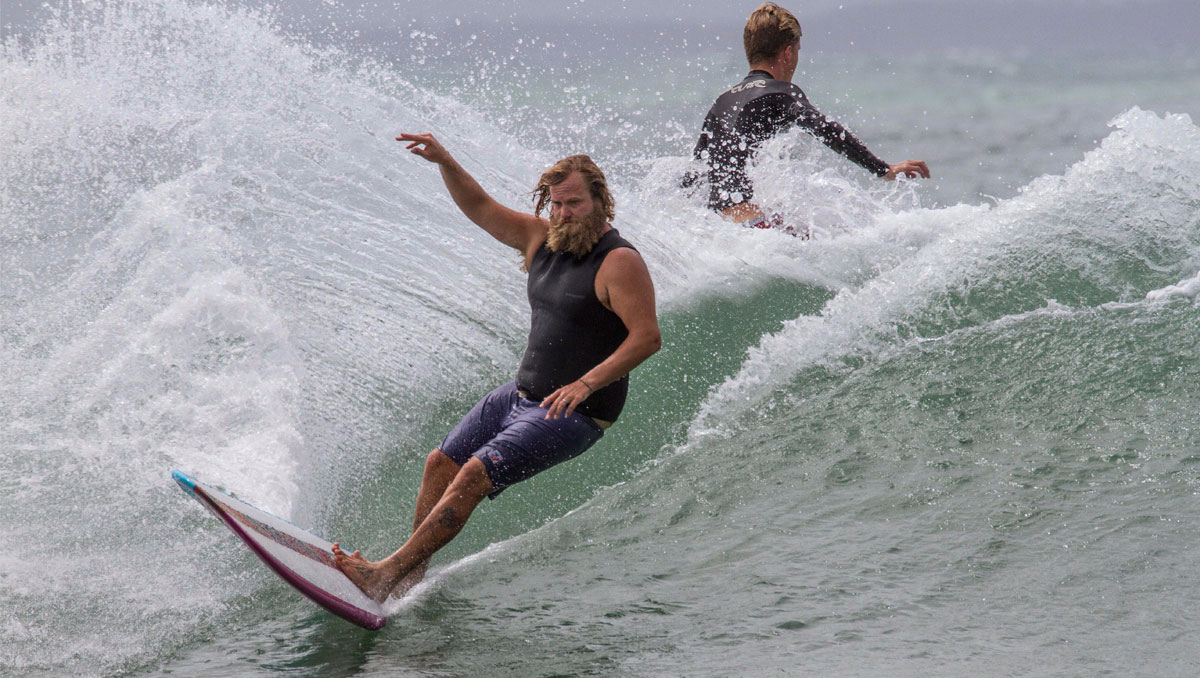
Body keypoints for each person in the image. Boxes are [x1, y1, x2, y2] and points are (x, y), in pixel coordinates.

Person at [332, 133, 662, 602]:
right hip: (520, 395)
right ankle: (404, 578)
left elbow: (647, 336)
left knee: (471, 475)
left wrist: (586, 384)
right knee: (440, 464)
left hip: (575, 413)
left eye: (574, 203)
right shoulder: (539, 240)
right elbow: (481, 208)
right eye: (557, 204)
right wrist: (445, 161)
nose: (564, 213)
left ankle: (385, 574)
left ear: (600, 201)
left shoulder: (618, 261)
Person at [687, 2, 931, 228]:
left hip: (718, 226)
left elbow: (697, 168)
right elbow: (825, 128)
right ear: (787, 53)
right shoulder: (781, 91)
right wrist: (882, 169)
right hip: (753, 223)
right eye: (798, 50)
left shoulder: (722, 101)